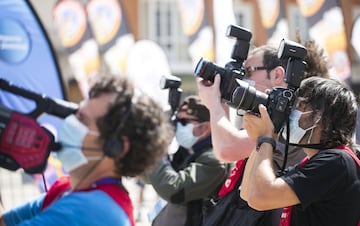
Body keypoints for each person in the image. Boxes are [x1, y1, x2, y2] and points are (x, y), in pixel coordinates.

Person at [0, 76, 173, 226]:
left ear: (116, 147)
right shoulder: (69, 188)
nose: (70, 123)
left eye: (82, 120)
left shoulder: (93, 208)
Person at [198, 39, 330, 226]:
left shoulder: (294, 121)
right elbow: (246, 191)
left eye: (249, 71)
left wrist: (214, 104)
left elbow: (228, 148)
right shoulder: (272, 118)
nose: (243, 78)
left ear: (277, 74)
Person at [241, 76, 360, 225]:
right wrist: (263, 139)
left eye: (299, 106)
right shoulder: (318, 161)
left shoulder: (336, 162)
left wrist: (266, 138)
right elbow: (248, 193)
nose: (290, 112)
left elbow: (260, 197)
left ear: (319, 117)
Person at [145, 95, 229, 226]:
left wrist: (158, 145)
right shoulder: (188, 151)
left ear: (205, 127)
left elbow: (171, 189)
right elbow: (153, 177)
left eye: (184, 122)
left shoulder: (215, 160)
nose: (177, 127)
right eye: (176, 122)